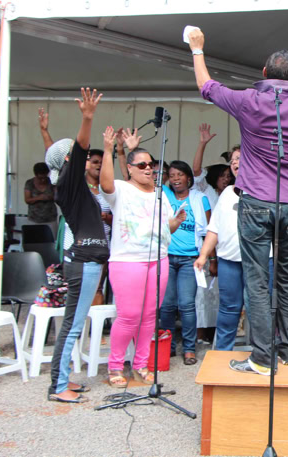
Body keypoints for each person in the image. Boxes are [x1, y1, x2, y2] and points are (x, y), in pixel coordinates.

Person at [189, 29, 288, 375]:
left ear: (263, 73)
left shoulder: (248, 100)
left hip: (256, 202)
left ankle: (262, 357)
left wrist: (197, 49)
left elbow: (206, 86)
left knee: (258, 281)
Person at [100, 126, 184, 387]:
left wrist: (177, 221)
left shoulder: (160, 194)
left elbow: (165, 229)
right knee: (128, 315)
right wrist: (108, 150)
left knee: (149, 316)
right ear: (130, 169)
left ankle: (141, 364)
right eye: (143, 165)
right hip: (128, 261)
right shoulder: (122, 189)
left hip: (158, 259)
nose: (149, 169)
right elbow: (105, 184)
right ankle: (115, 366)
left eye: (152, 165)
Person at [44, 88, 107, 403]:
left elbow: (68, 153)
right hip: (83, 262)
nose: (80, 156)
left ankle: (63, 379)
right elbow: (79, 149)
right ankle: (58, 386)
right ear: (69, 160)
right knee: (72, 325)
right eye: (74, 153)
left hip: (86, 261)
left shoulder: (74, 186)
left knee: (74, 323)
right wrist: (87, 118)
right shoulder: (68, 183)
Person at [160, 160, 211, 365]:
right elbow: (151, 179)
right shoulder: (164, 194)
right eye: (172, 175)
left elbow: (209, 232)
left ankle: (189, 348)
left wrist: (210, 258)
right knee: (167, 305)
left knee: (187, 305)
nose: (175, 179)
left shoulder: (200, 199)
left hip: (190, 259)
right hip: (166, 256)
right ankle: (168, 346)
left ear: (189, 178)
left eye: (180, 175)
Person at [195, 148, 245, 351]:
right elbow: (214, 228)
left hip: (258, 261)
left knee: (259, 308)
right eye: (232, 160)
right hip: (228, 260)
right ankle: (223, 353)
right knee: (228, 307)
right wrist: (203, 255)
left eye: (239, 159)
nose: (235, 163)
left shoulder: (264, 191)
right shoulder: (226, 193)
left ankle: (263, 354)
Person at [193, 123, 233, 208]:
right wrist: (202, 144)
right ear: (215, 175)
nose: (226, 179)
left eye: (228, 176)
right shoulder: (207, 189)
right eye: (222, 175)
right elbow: (196, 170)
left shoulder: (233, 194)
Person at [24, 162, 58, 237]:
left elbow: (58, 198)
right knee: (34, 240)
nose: (43, 180)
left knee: (52, 240)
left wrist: (50, 197)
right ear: (36, 175)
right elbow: (27, 200)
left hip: (50, 218)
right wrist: (39, 198)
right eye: (40, 178)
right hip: (34, 219)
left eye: (45, 177)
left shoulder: (52, 182)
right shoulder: (29, 183)